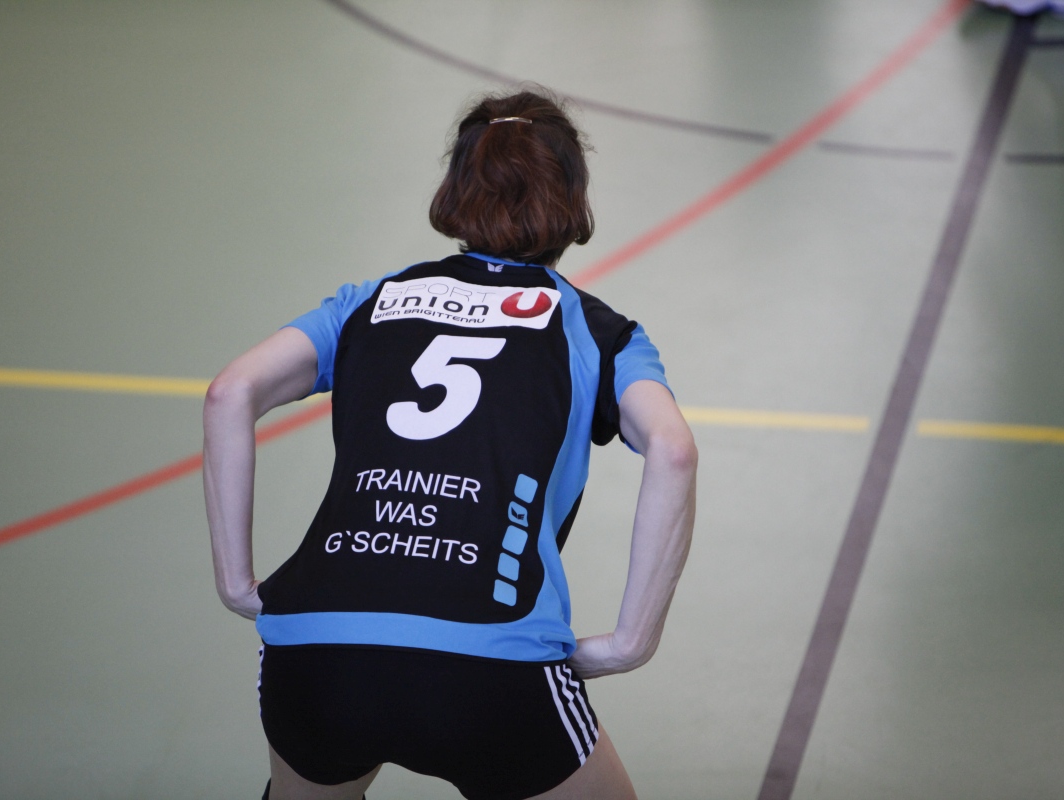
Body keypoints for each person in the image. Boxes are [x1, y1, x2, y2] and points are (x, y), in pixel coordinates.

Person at [203, 88, 697, 800]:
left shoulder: (368, 301)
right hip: (490, 654)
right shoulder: (599, 332)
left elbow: (230, 393)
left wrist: (235, 583)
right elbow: (673, 451)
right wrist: (629, 643)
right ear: (572, 199)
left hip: (317, 641)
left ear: (457, 189)